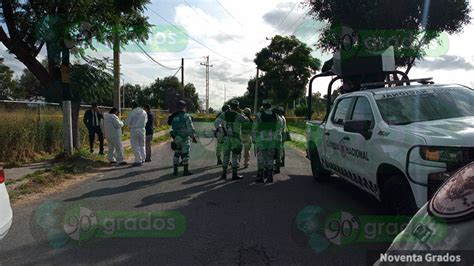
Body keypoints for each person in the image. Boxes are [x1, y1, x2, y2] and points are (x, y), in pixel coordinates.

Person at [215, 100, 249, 180]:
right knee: (235, 156)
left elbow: (216, 123)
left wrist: (221, 129)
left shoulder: (224, 114)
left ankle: (223, 174)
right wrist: (242, 113)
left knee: (226, 155)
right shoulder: (238, 115)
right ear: (237, 106)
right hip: (236, 138)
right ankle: (234, 174)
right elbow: (246, 121)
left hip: (226, 137)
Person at [252, 100, 283, 183]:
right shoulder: (276, 116)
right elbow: (279, 128)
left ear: (263, 106)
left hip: (261, 139)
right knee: (270, 157)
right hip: (272, 140)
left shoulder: (258, 115)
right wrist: (276, 138)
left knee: (261, 157)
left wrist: (254, 138)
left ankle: (261, 176)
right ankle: (270, 176)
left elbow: (254, 128)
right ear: (270, 106)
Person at [168, 100, 197, 176]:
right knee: (185, 154)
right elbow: (190, 128)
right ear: (184, 107)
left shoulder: (174, 116)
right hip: (184, 137)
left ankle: (175, 170)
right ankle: (185, 171)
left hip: (176, 137)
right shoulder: (186, 116)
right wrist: (193, 137)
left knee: (177, 152)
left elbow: (170, 126)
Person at [126, 102, 148, 167]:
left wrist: (122, 123)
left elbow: (127, 121)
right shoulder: (144, 112)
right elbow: (146, 121)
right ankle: (143, 158)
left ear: (133, 106)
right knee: (142, 144)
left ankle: (138, 160)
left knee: (135, 145)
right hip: (142, 129)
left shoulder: (133, 112)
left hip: (134, 130)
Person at [273, 106, 287, 174]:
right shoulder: (282, 118)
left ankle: (275, 167)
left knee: (274, 153)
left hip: (275, 137)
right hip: (280, 136)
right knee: (279, 152)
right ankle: (279, 165)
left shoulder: (277, 118)